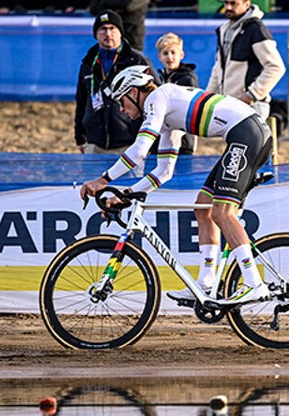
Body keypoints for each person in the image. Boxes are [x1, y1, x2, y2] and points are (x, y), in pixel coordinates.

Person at [78, 66, 274, 305]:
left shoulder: (158, 98)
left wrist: (104, 180)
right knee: (203, 208)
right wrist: (126, 194)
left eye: (122, 101)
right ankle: (205, 284)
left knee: (222, 212)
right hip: (245, 135)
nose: (121, 109)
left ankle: (254, 283)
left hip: (248, 134)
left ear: (135, 92)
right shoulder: (168, 116)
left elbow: (139, 150)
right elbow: (163, 171)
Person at [75, 10, 156, 154]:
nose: (108, 33)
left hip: (129, 144)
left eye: (112, 28)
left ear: (120, 32)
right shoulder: (88, 63)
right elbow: (81, 101)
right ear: (96, 34)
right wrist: (80, 137)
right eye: (103, 29)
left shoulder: (137, 61)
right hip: (95, 144)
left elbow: (156, 96)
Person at [206, 0, 285, 123]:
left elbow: (276, 67)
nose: (228, 7)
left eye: (234, 3)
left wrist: (251, 95)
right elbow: (218, 68)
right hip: (229, 105)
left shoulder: (256, 29)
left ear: (247, 4)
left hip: (251, 107)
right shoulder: (224, 30)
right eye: (226, 3)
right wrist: (208, 98)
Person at [155, 32, 198, 155]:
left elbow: (191, 110)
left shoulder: (187, 79)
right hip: (162, 139)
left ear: (181, 55)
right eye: (165, 53)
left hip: (182, 142)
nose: (170, 57)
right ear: (159, 56)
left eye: (173, 53)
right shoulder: (161, 79)